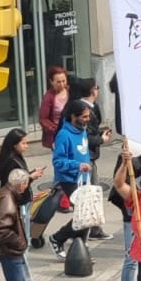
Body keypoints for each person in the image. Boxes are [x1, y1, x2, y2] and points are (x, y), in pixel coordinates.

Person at [45, 100, 94, 257]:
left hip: (84, 179)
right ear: (74, 116)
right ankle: (57, 238)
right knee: (85, 216)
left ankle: (80, 250)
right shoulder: (63, 135)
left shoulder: (83, 131)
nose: (88, 119)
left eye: (88, 116)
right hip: (70, 180)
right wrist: (78, 165)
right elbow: (57, 161)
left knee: (88, 216)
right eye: (84, 117)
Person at [0, 169, 34, 281]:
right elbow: (0, 229)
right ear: (22, 184)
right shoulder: (7, 199)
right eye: (26, 184)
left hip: (9, 250)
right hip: (10, 252)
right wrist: (19, 242)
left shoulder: (5, 194)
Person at [37, 66, 69, 158]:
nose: (62, 84)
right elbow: (43, 119)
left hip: (72, 130)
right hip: (57, 134)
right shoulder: (48, 97)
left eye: (64, 81)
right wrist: (55, 129)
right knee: (62, 159)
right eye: (58, 82)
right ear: (51, 82)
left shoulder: (70, 91)